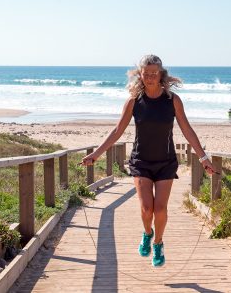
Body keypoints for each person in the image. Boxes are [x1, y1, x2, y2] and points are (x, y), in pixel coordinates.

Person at [81, 54, 216, 267]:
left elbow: (187, 129)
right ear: (141, 75)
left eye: (155, 73)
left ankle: (159, 243)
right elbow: (118, 130)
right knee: (146, 209)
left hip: (166, 162)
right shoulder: (134, 101)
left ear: (161, 74)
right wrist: (95, 154)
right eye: (147, 74)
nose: (151, 77)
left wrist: (203, 157)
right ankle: (147, 233)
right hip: (141, 162)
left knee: (160, 209)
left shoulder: (173, 101)